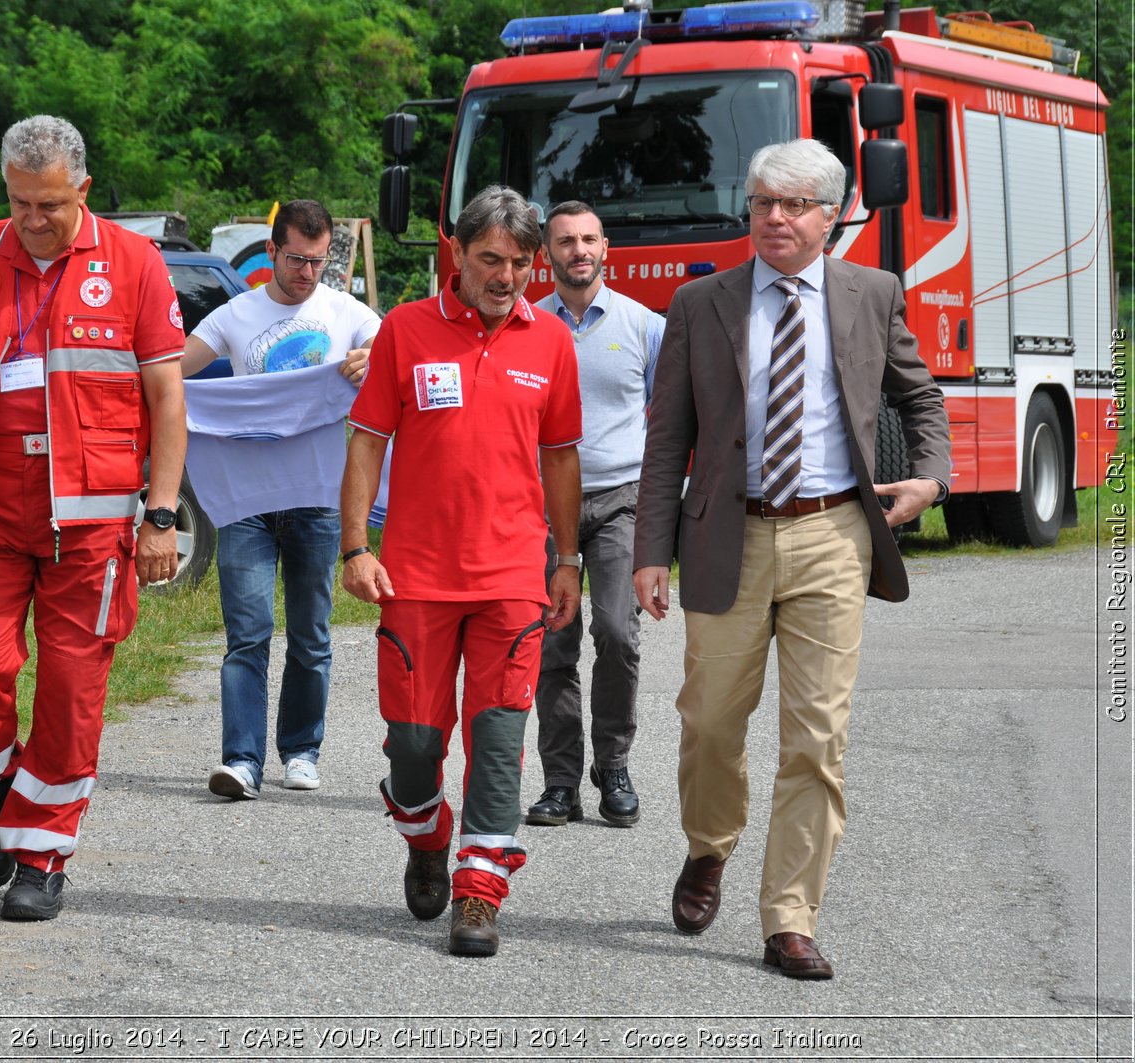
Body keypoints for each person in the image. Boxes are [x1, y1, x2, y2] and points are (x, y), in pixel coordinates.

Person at [632, 139, 950, 979]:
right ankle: (709, 846)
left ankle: (789, 916)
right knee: (708, 721)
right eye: (764, 201)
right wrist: (648, 551)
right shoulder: (700, 303)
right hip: (722, 534)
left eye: (795, 204)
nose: (775, 216)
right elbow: (668, 438)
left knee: (817, 736)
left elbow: (919, 394)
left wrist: (930, 478)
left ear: (832, 215)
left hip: (833, 536)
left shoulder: (872, 293)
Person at [0, 115, 187, 921]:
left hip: (93, 525)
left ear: (83, 189)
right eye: (19, 203)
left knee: (72, 690)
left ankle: (42, 853)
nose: (32, 221)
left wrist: (162, 513)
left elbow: (167, 396)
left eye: (49, 205)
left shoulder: (135, 263)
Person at [340, 185, 582, 958]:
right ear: (457, 253)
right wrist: (355, 546)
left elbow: (562, 458)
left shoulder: (551, 342)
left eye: (518, 262)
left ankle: (479, 890)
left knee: (499, 736)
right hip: (412, 577)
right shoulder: (405, 331)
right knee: (414, 746)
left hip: (513, 577)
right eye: (489, 259)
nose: (505, 275)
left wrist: (567, 559)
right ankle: (424, 833)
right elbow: (368, 440)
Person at [179, 199, 380, 800]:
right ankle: (241, 760)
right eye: (296, 259)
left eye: (318, 261)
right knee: (248, 632)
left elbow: (405, 356)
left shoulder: (347, 312)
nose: (307, 272)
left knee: (312, 633)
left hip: (320, 497)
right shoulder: (234, 316)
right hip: (246, 503)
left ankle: (300, 750)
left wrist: (374, 358)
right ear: (271, 252)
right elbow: (172, 375)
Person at [525, 202, 663, 830]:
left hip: (620, 501)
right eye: (564, 242)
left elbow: (671, 420)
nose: (578, 251)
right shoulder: (524, 326)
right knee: (552, 642)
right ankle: (559, 781)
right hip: (540, 505)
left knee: (615, 632)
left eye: (588, 240)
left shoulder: (643, 326)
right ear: (545, 255)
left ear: (606, 247)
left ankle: (613, 766)